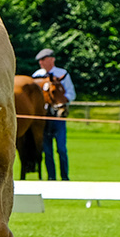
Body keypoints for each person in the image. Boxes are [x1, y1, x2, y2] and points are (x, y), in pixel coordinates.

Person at [32, 49, 75, 181]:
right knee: (47, 151)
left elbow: (71, 94)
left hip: (58, 116)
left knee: (61, 149)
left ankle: (64, 177)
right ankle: (51, 177)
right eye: (40, 60)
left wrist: (60, 102)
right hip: (44, 118)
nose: (40, 62)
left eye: (43, 59)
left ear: (51, 59)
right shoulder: (36, 76)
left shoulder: (62, 74)